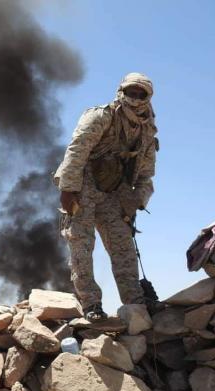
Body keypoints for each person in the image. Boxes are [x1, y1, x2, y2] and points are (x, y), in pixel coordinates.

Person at [54, 72, 160, 321]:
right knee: (81, 245)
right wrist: (68, 189)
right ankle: (91, 304)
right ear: (121, 92)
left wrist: (136, 201)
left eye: (141, 94)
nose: (135, 98)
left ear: (148, 97)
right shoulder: (101, 116)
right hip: (85, 184)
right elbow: (77, 150)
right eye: (131, 92)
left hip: (116, 191)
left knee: (124, 248)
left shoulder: (146, 131)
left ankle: (135, 302)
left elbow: (146, 174)